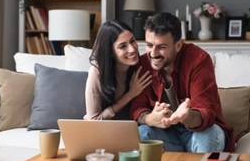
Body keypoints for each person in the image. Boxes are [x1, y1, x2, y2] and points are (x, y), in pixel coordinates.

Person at [130, 13, 235, 152]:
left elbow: (207, 113)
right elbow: (137, 108)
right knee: (142, 133)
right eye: (149, 45)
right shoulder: (143, 64)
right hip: (166, 134)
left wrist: (187, 116)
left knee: (208, 136)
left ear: (178, 45)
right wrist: (149, 118)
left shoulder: (199, 60)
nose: (153, 54)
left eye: (161, 47)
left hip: (198, 132)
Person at [84, 20, 152, 120]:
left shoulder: (141, 66)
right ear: (110, 51)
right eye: (123, 46)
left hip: (131, 128)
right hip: (101, 130)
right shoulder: (97, 71)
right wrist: (130, 94)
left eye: (132, 41)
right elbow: (93, 120)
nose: (132, 49)